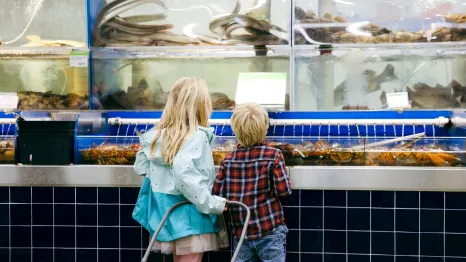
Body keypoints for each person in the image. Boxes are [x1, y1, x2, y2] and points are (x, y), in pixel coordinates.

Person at [132, 77, 227, 262]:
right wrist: (214, 204)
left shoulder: (156, 135)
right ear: (201, 106)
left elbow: (141, 166)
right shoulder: (197, 137)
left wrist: (163, 168)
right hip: (190, 215)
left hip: (164, 214)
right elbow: (185, 176)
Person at [213, 102, 292, 262]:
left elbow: (217, 195)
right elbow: (283, 191)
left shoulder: (228, 160)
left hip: (241, 234)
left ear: (235, 130)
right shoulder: (274, 155)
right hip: (269, 232)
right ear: (265, 128)